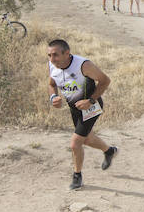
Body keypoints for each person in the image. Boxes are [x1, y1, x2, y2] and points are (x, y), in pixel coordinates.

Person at [47, 39, 119, 190]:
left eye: (55, 55)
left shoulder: (83, 65)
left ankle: (77, 177)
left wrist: (90, 100)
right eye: (49, 55)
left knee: (75, 143)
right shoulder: (53, 66)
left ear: (67, 53)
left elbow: (105, 80)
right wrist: (54, 97)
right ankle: (109, 151)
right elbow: (52, 84)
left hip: (91, 107)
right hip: (74, 108)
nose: (52, 60)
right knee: (87, 139)